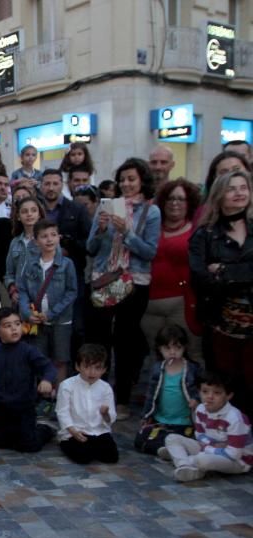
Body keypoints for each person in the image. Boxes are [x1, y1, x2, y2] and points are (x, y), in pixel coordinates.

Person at [86, 157, 161, 418]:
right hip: (105, 277)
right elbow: (91, 248)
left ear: (142, 181)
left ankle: (123, 398)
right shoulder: (106, 207)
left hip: (134, 281)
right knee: (100, 337)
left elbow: (150, 251)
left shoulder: (151, 211)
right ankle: (96, 392)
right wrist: (102, 229)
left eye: (131, 179)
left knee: (126, 340)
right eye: (122, 179)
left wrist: (127, 232)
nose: (126, 184)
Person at [189, 170, 253, 414]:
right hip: (221, 325)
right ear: (219, 195)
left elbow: (218, 274)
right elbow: (200, 279)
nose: (239, 193)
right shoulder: (204, 235)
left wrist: (225, 271)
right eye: (231, 188)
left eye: (243, 187)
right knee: (228, 387)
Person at [141, 178, 203, 361]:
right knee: (157, 357)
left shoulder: (197, 230)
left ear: (189, 202)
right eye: (170, 198)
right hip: (149, 306)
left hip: (183, 306)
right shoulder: (150, 227)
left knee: (192, 355)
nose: (175, 203)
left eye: (180, 199)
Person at [0, 308, 57, 453]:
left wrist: (46, 380)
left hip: (24, 408)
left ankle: (44, 429)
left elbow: (49, 367)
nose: (14, 329)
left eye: (17, 324)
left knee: (28, 446)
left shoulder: (29, 351)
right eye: (7, 326)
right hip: (1, 407)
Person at [159, 373, 251, 482]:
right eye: (205, 391)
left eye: (217, 393)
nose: (209, 396)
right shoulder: (200, 409)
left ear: (228, 395)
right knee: (171, 438)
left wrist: (207, 448)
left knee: (202, 459)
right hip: (213, 448)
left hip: (238, 461)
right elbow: (200, 435)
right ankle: (184, 465)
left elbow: (234, 454)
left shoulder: (235, 418)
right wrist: (212, 446)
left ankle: (180, 457)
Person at [18, 219, 78, 383]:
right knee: (39, 359)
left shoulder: (67, 264)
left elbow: (71, 292)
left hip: (61, 320)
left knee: (60, 359)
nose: (49, 239)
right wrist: (27, 313)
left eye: (53, 235)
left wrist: (52, 313)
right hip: (36, 321)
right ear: (36, 241)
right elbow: (22, 290)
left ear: (59, 237)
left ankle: (60, 396)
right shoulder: (30, 265)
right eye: (44, 236)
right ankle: (42, 398)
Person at [136, 324, 201, 455]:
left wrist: (196, 400)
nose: (172, 352)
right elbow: (151, 395)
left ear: (184, 347)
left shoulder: (192, 369)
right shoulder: (157, 369)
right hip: (161, 421)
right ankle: (169, 450)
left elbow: (202, 390)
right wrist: (146, 416)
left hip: (184, 422)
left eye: (177, 347)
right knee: (141, 439)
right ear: (159, 349)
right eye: (167, 348)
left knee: (189, 439)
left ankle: (173, 449)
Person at [56, 344, 118, 464]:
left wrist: (105, 414)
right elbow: (62, 411)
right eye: (87, 367)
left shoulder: (105, 388)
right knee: (83, 457)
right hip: (75, 431)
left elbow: (111, 418)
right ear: (77, 366)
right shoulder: (67, 385)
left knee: (111, 457)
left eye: (97, 368)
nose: (92, 372)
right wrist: (73, 431)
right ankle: (66, 444)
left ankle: (92, 447)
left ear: (104, 370)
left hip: (98, 431)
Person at [40, 169, 92, 280]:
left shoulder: (78, 209)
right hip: (41, 271)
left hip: (71, 272)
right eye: (47, 184)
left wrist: (70, 248)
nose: (51, 188)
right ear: (41, 185)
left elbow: (88, 241)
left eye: (55, 183)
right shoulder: (35, 210)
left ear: (62, 185)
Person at [4, 196, 45, 303]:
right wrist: (12, 290)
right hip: (21, 300)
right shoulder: (15, 243)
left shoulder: (49, 240)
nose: (29, 214)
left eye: (33, 210)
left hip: (44, 297)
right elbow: (9, 273)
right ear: (18, 216)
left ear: (39, 214)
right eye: (24, 211)